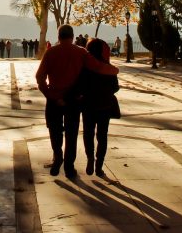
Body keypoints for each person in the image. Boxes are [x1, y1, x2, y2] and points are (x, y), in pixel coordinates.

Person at [35, 24, 120, 179]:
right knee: (71, 133)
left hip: (54, 98)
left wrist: (49, 93)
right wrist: (115, 70)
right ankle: (69, 167)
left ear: (59, 36)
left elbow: (39, 77)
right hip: (72, 99)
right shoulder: (80, 52)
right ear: (73, 37)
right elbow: (98, 67)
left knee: (54, 130)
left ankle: (57, 154)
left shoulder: (50, 52)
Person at [74, 38, 120, 177]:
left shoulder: (84, 67)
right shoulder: (107, 67)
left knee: (88, 133)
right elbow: (115, 87)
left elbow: (79, 86)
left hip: (88, 105)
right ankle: (99, 165)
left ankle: (89, 158)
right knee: (102, 136)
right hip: (105, 105)